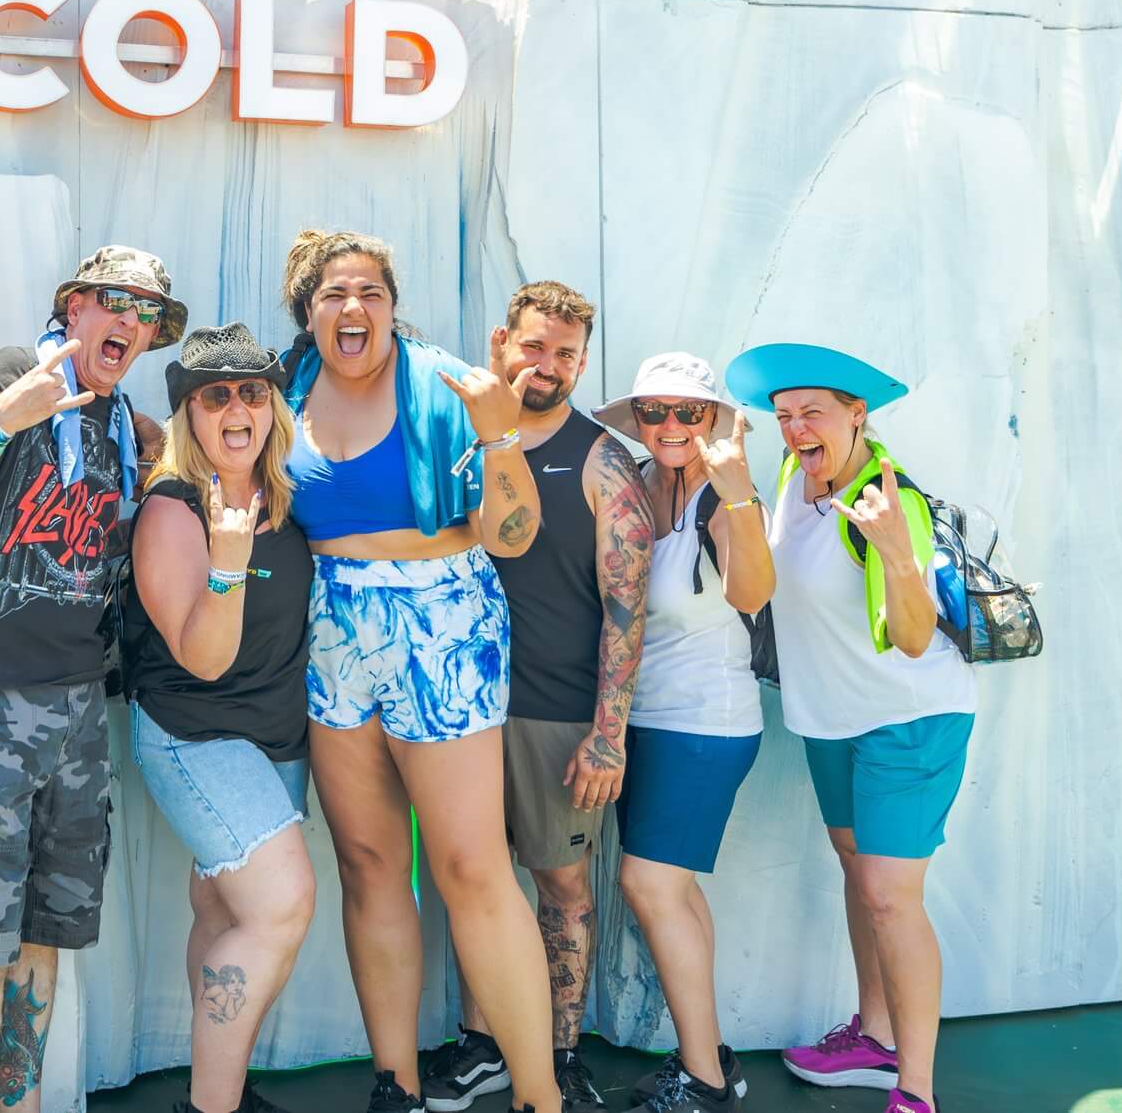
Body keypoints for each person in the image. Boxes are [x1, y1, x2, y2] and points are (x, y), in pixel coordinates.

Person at [280, 230, 562, 1113]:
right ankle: (395, 1086)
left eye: (369, 291)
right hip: (330, 627)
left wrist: (501, 437)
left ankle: (539, 1097)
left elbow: (513, 536)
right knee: (368, 862)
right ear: (309, 310)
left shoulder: (444, 386)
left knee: (471, 867)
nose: (352, 307)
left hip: (440, 617)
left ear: (393, 305)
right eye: (333, 293)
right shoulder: (285, 385)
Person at [0, 245, 184, 1113]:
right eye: (115, 300)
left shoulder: (117, 416)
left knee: (44, 937)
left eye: (147, 313)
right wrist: (0, 422)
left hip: (75, 709)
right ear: (72, 307)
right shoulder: (13, 374)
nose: (130, 322)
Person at [726, 343, 976, 1113]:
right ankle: (873, 1034)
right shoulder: (792, 481)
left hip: (908, 719)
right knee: (858, 872)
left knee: (891, 894)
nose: (797, 427)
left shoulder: (889, 498)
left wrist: (899, 554)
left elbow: (911, 635)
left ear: (856, 413)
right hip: (830, 717)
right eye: (785, 415)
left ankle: (917, 1090)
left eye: (814, 412)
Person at [421, 284, 649, 1113]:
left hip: (553, 712)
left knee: (559, 889)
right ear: (500, 342)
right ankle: (484, 1045)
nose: (546, 367)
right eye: (534, 347)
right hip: (453, 703)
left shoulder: (600, 457)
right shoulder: (456, 432)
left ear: (581, 363)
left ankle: (558, 1052)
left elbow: (628, 604)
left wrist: (607, 734)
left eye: (565, 355)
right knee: (474, 880)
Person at [121, 323, 319, 1113]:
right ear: (189, 414)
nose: (235, 406)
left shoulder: (290, 492)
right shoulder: (172, 510)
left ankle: (221, 1086)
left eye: (250, 391)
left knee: (223, 908)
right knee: (281, 906)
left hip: (275, 735)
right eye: (215, 395)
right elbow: (202, 659)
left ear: (272, 403)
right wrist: (229, 569)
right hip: (193, 735)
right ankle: (211, 1108)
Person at [595, 355, 773, 1113]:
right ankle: (713, 1061)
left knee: (649, 881)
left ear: (712, 419)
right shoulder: (639, 479)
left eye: (688, 412)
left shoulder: (723, 493)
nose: (670, 426)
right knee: (677, 891)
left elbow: (753, 592)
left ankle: (701, 1081)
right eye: (654, 411)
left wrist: (737, 499)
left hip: (706, 721)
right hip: (650, 721)